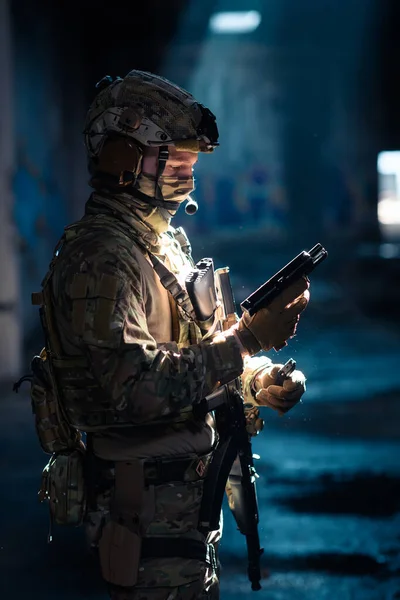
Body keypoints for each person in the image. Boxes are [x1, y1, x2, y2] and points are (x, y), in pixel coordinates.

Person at [36, 70, 310, 600]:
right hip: (143, 512)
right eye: (171, 157)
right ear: (119, 158)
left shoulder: (161, 245)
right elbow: (134, 389)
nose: (187, 171)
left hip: (185, 505)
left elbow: (190, 354)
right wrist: (247, 341)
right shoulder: (102, 258)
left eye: (191, 159)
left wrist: (258, 380)